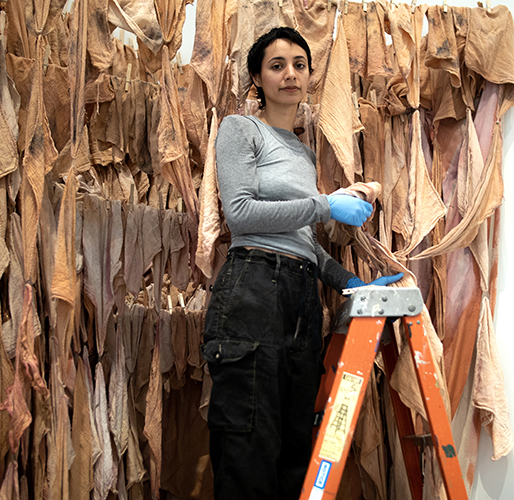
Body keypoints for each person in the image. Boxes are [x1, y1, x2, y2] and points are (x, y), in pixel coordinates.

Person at [201, 27, 402, 500]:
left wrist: (349, 282)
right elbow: (242, 213)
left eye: (299, 64)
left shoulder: (303, 151)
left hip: (300, 300)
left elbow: (304, 244)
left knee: (295, 455)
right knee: (248, 451)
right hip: (252, 289)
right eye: (276, 65)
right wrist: (325, 204)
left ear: (310, 74)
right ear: (258, 77)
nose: (289, 73)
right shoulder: (239, 129)